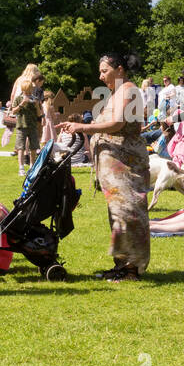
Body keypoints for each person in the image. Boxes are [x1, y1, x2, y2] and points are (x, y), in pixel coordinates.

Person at [60, 53, 150, 281]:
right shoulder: (116, 92)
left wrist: (83, 127)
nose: (100, 77)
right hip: (114, 165)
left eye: (104, 71)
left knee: (128, 213)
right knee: (118, 214)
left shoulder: (129, 89)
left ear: (120, 69)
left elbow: (118, 123)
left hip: (127, 164)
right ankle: (121, 265)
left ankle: (132, 268)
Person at [9, 64, 44, 176]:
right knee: (21, 146)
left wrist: (37, 105)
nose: (29, 94)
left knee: (33, 146)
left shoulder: (34, 96)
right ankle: (21, 166)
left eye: (31, 92)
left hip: (32, 124)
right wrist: (21, 104)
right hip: (21, 124)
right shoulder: (20, 95)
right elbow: (13, 109)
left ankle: (31, 166)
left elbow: (39, 113)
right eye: (28, 92)